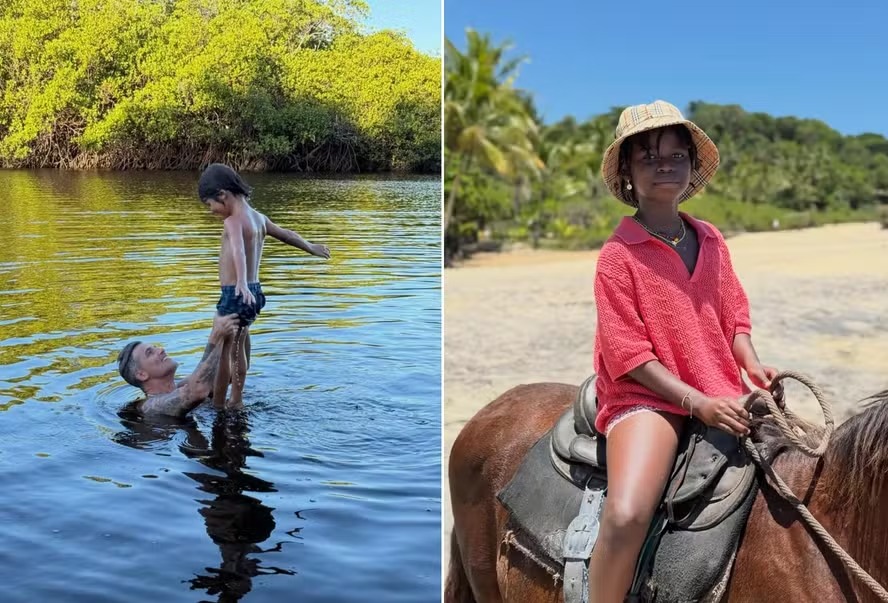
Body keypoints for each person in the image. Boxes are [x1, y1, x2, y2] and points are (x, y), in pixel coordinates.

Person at [587, 100, 779, 602]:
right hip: (648, 398)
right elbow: (629, 354)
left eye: (676, 155)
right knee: (628, 514)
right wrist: (697, 403)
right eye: (648, 157)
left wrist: (751, 363)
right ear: (627, 172)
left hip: (721, 386)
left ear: (692, 167)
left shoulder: (711, 238)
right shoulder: (617, 256)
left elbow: (732, 313)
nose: (664, 165)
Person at [196, 163, 332, 408]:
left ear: (222, 195)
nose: (211, 211)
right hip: (254, 293)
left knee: (226, 353)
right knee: (241, 346)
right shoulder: (259, 218)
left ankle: (221, 405)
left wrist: (240, 282)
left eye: (210, 204)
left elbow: (237, 248)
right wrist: (311, 247)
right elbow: (287, 234)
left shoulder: (233, 222)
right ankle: (237, 397)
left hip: (236, 294)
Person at [116, 312, 240, 417]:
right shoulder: (150, 406)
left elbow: (234, 373)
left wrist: (238, 329)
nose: (161, 350)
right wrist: (216, 335)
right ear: (142, 374)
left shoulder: (182, 385)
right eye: (150, 352)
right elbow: (196, 391)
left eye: (155, 347)